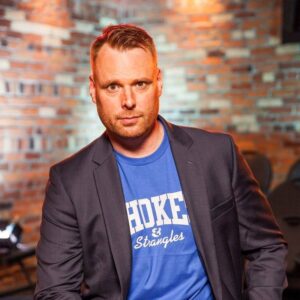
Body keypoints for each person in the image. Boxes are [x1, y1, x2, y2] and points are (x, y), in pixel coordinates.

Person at [35, 24, 287, 300]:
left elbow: (267, 247)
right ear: (93, 90)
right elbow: (55, 291)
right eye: (113, 86)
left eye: (139, 83)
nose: (128, 101)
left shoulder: (217, 154)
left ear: (159, 82)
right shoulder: (70, 182)